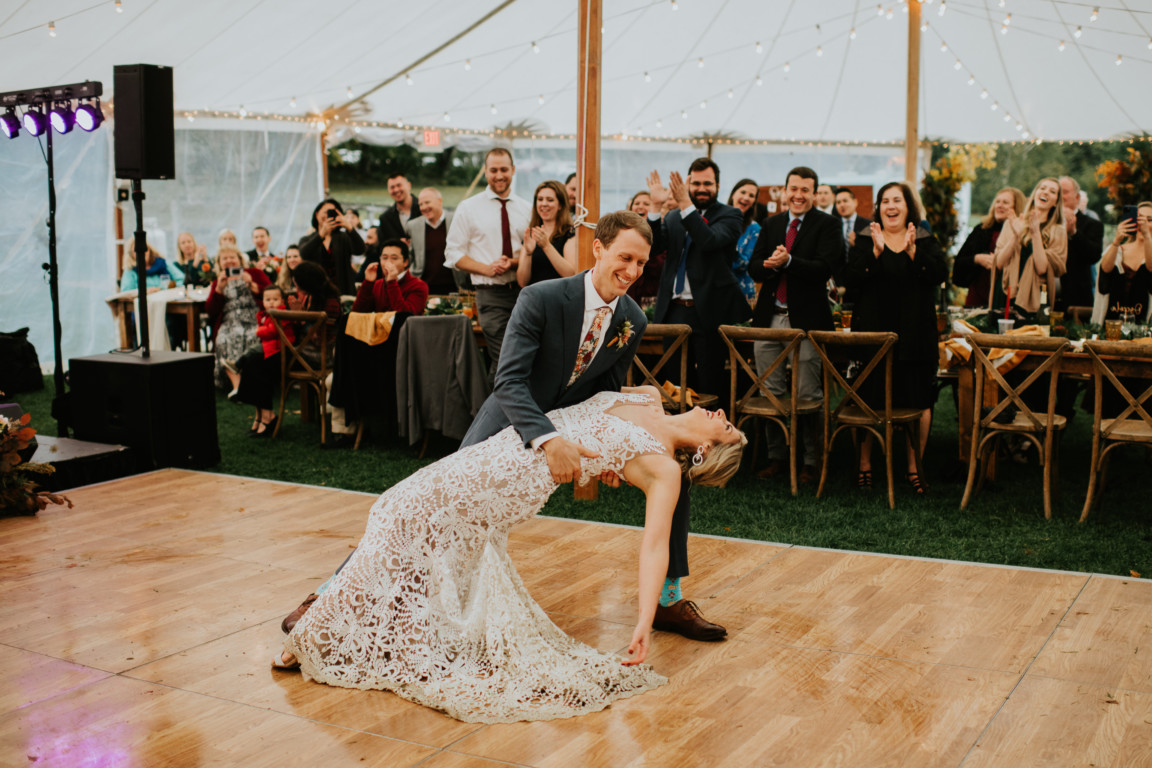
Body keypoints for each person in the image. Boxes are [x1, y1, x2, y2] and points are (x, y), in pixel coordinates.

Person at [281, 212, 731, 645]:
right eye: (625, 258)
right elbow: (509, 381)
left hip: (573, 425)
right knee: (428, 503)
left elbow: (604, 390)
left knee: (675, 467)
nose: (632, 271)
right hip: (513, 414)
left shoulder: (633, 318)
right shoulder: (541, 297)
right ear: (598, 249)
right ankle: (330, 592)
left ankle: (668, 598)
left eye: (641, 263)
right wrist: (549, 439)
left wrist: (614, 453)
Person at [278, 388, 746, 723]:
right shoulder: (647, 396)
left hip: (513, 479)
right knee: (404, 516)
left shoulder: (663, 468)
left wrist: (643, 621)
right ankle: (342, 629)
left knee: (400, 512)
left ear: (705, 450)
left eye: (725, 426)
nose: (721, 412)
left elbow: (654, 546)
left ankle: (312, 635)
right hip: (510, 442)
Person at [845, 182, 948, 494]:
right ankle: (864, 466)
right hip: (872, 338)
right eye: (885, 201)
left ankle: (915, 468)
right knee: (866, 400)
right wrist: (875, 253)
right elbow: (850, 280)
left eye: (897, 200)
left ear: (907, 207)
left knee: (919, 401)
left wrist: (914, 252)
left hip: (915, 337)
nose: (890, 206)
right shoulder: (865, 238)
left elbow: (939, 274)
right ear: (879, 208)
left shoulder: (924, 238)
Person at [747, 166, 842, 484]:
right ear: (785, 190)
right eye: (794, 189)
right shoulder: (772, 223)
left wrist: (789, 262)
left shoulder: (827, 224)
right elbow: (754, 268)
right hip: (769, 318)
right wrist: (771, 265)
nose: (798, 195)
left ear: (814, 193)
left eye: (805, 190)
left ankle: (811, 461)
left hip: (808, 321)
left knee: (807, 393)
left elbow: (825, 268)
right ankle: (776, 457)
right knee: (770, 391)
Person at [648, 158, 751, 397]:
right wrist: (655, 207)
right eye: (696, 183)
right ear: (688, 184)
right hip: (673, 310)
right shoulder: (673, 216)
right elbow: (652, 249)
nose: (702, 188)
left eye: (708, 183)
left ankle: (710, 422)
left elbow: (708, 240)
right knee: (674, 385)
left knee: (709, 383)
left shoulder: (731, 215)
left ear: (718, 185)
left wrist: (685, 203)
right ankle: (678, 422)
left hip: (709, 312)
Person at [444, 148, 531, 384]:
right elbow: (452, 253)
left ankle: (486, 404)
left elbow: (531, 251)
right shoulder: (468, 207)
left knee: (517, 359)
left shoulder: (526, 208)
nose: (499, 175)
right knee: (505, 358)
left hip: (523, 294)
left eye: (504, 169)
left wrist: (512, 263)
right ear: (485, 172)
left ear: (513, 170)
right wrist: (486, 269)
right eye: (493, 170)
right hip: (490, 296)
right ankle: (491, 406)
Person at [994, 178, 1068, 319]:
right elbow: (999, 263)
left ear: (1056, 203)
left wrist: (1035, 233)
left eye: (1052, 191)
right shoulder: (1012, 223)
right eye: (1042, 188)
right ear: (1035, 194)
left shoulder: (1058, 231)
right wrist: (1016, 236)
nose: (1045, 192)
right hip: (1006, 293)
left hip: (1034, 299)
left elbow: (1042, 268)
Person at [232, 284, 294, 437]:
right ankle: (260, 414)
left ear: (282, 301)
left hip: (281, 350)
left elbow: (272, 331)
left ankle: (267, 417)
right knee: (252, 360)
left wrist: (259, 330)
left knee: (254, 359)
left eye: (275, 299)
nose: (271, 302)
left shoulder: (280, 313)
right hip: (272, 349)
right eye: (268, 299)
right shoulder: (266, 314)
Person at [206, 246, 269, 392]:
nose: (229, 261)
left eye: (232, 257)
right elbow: (210, 311)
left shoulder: (254, 273)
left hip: (254, 318)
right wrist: (219, 290)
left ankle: (252, 382)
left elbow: (271, 293)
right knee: (224, 339)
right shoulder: (218, 281)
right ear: (220, 263)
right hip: (230, 321)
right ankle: (233, 383)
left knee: (253, 336)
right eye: (225, 259)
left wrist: (252, 284)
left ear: (240, 260)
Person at [952, 187, 1026, 309]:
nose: (999, 205)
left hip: (1007, 297)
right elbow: (959, 263)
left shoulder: (1023, 233)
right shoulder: (981, 229)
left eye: (1005, 202)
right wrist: (977, 259)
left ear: (1016, 207)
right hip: (978, 296)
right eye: (997, 201)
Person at [298, 198, 365, 296]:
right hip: (317, 292)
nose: (328, 215)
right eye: (325, 212)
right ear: (316, 214)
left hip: (342, 291)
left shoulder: (343, 237)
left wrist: (349, 227)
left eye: (332, 212)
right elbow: (304, 254)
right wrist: (321, 234)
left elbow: (360, 249)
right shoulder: (308, 239)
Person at [1098, 201, 1152, 321]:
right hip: (1112, 323)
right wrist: (1116, 240)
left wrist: (1147, 236)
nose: (1142, 223)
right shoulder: (1119, 250)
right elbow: (1105, 269)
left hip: (1145, 327)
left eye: (1149, 220)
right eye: (1139, 218)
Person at [517, 180, 577, 287]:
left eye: (550, 200)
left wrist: (546, 246)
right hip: (534, 295)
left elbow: (571, 274)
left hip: (558, 295)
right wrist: (528, 254)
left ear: (560, 205)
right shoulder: (531, 234)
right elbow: (522, 282)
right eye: (540, 199)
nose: (544, 204)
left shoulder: (570, 233)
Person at [1057, 176, 1105, 310]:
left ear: (1077, 197)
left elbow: (1093, 256)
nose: (1060, 196)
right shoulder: (1043, 222)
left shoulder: (1092, 224)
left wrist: (1074, 233)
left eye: (1064, 192)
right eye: (1057, 192)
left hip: (1075, 298)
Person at [351, 240, 430, 316]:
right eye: (384, 258)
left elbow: (405, 316)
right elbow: (357, 314)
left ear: (405, 262)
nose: (388, 262)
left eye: (394, 258)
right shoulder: (377, 284)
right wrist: (368, 283)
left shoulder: (418, 286)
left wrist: (392, 282)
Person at [403, 187, 457, 295]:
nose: (423, 207)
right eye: (421, 204)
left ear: (439, 201)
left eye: (427, 202)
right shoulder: (412, 226)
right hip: (424, 287)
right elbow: (411, 256)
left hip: (454, 287)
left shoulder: (456, 220)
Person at [727, 178, 761, 303]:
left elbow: (745, 264)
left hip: (742, 293)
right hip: (714, 289)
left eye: (751, 195)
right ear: (733, 194)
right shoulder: (717, 221)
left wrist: (729, 246)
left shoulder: (755, 229)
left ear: (753, 202)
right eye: (743, 192)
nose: (746, 198)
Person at [378, 173, 417, 241]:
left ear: (409, 185)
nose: (396, 190)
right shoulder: (385, 218)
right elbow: (383, 244)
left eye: (399, 185)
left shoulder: (424, 210)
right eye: (392, 187)